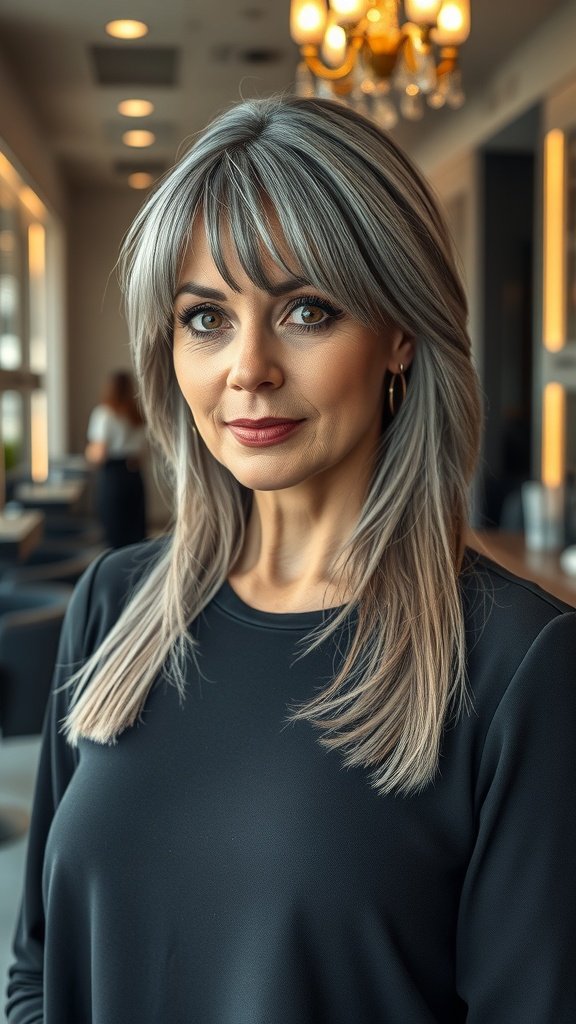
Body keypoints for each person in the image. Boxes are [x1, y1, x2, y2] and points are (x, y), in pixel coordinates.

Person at [6, 95, 576, 1024]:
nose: (248, 368)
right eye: (206, 317)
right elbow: (38, 969)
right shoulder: (115, 603)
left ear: (401, 333)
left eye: (308, 310)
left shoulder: (518, 665)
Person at [85, 368, 147, 548]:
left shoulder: (104, 414)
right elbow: (143, 453)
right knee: (136, 532)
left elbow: (99, 454)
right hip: (134, 475)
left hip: (113, 475)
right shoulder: (137, 414)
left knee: (114, 531)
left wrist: (88, 453)